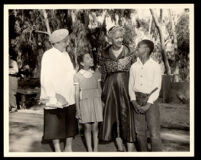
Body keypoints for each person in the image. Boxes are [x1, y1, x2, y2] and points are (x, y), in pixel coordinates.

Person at [99, 26, 137, 152]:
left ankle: (130, 144)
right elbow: (103, 73)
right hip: (111, 89)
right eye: (117, 38)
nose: (120, 39)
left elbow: (135, 70)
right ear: (111, 39)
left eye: (121, 37)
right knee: (114, 115)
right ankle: (119, 142)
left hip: (126, 87)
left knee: (127, 115)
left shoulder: (129, 51)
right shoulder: (104, 53)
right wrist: (103, 92)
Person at [40, 29, 78, 152]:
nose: (67, 44)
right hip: (56, 96)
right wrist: (54, 96)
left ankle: (68, 147)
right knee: (54, 124)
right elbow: (46, 77)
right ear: (57, 42)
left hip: (69, 95)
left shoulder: (66, 55)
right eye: (65, 42)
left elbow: (70, 73)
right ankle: (57, 150)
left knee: (70, 123)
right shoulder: (48, 55)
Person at [128, 39, 162, 151]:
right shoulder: (133, 66)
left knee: (154, 133)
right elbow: (130, 86)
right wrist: (134, 102)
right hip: (137, 101)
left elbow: (157, 87)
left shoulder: (155, 66)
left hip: (150, 101)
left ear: (147, 50)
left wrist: (148, 104)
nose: (136, 48)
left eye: (139, 46)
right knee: (140, 132)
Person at [74, 53, 103, 152]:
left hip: (96, 102)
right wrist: (78, 109)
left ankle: (95, 149)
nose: (91, 59)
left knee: (95, 126)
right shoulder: (78, 76)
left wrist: (101, 104)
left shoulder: (96, 74)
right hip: (84, 103)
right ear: (82, 63)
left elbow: (99, 90)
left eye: (91, 57)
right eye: (87, 58)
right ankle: (90, 150)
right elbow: (77, 94)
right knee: (87, 127)